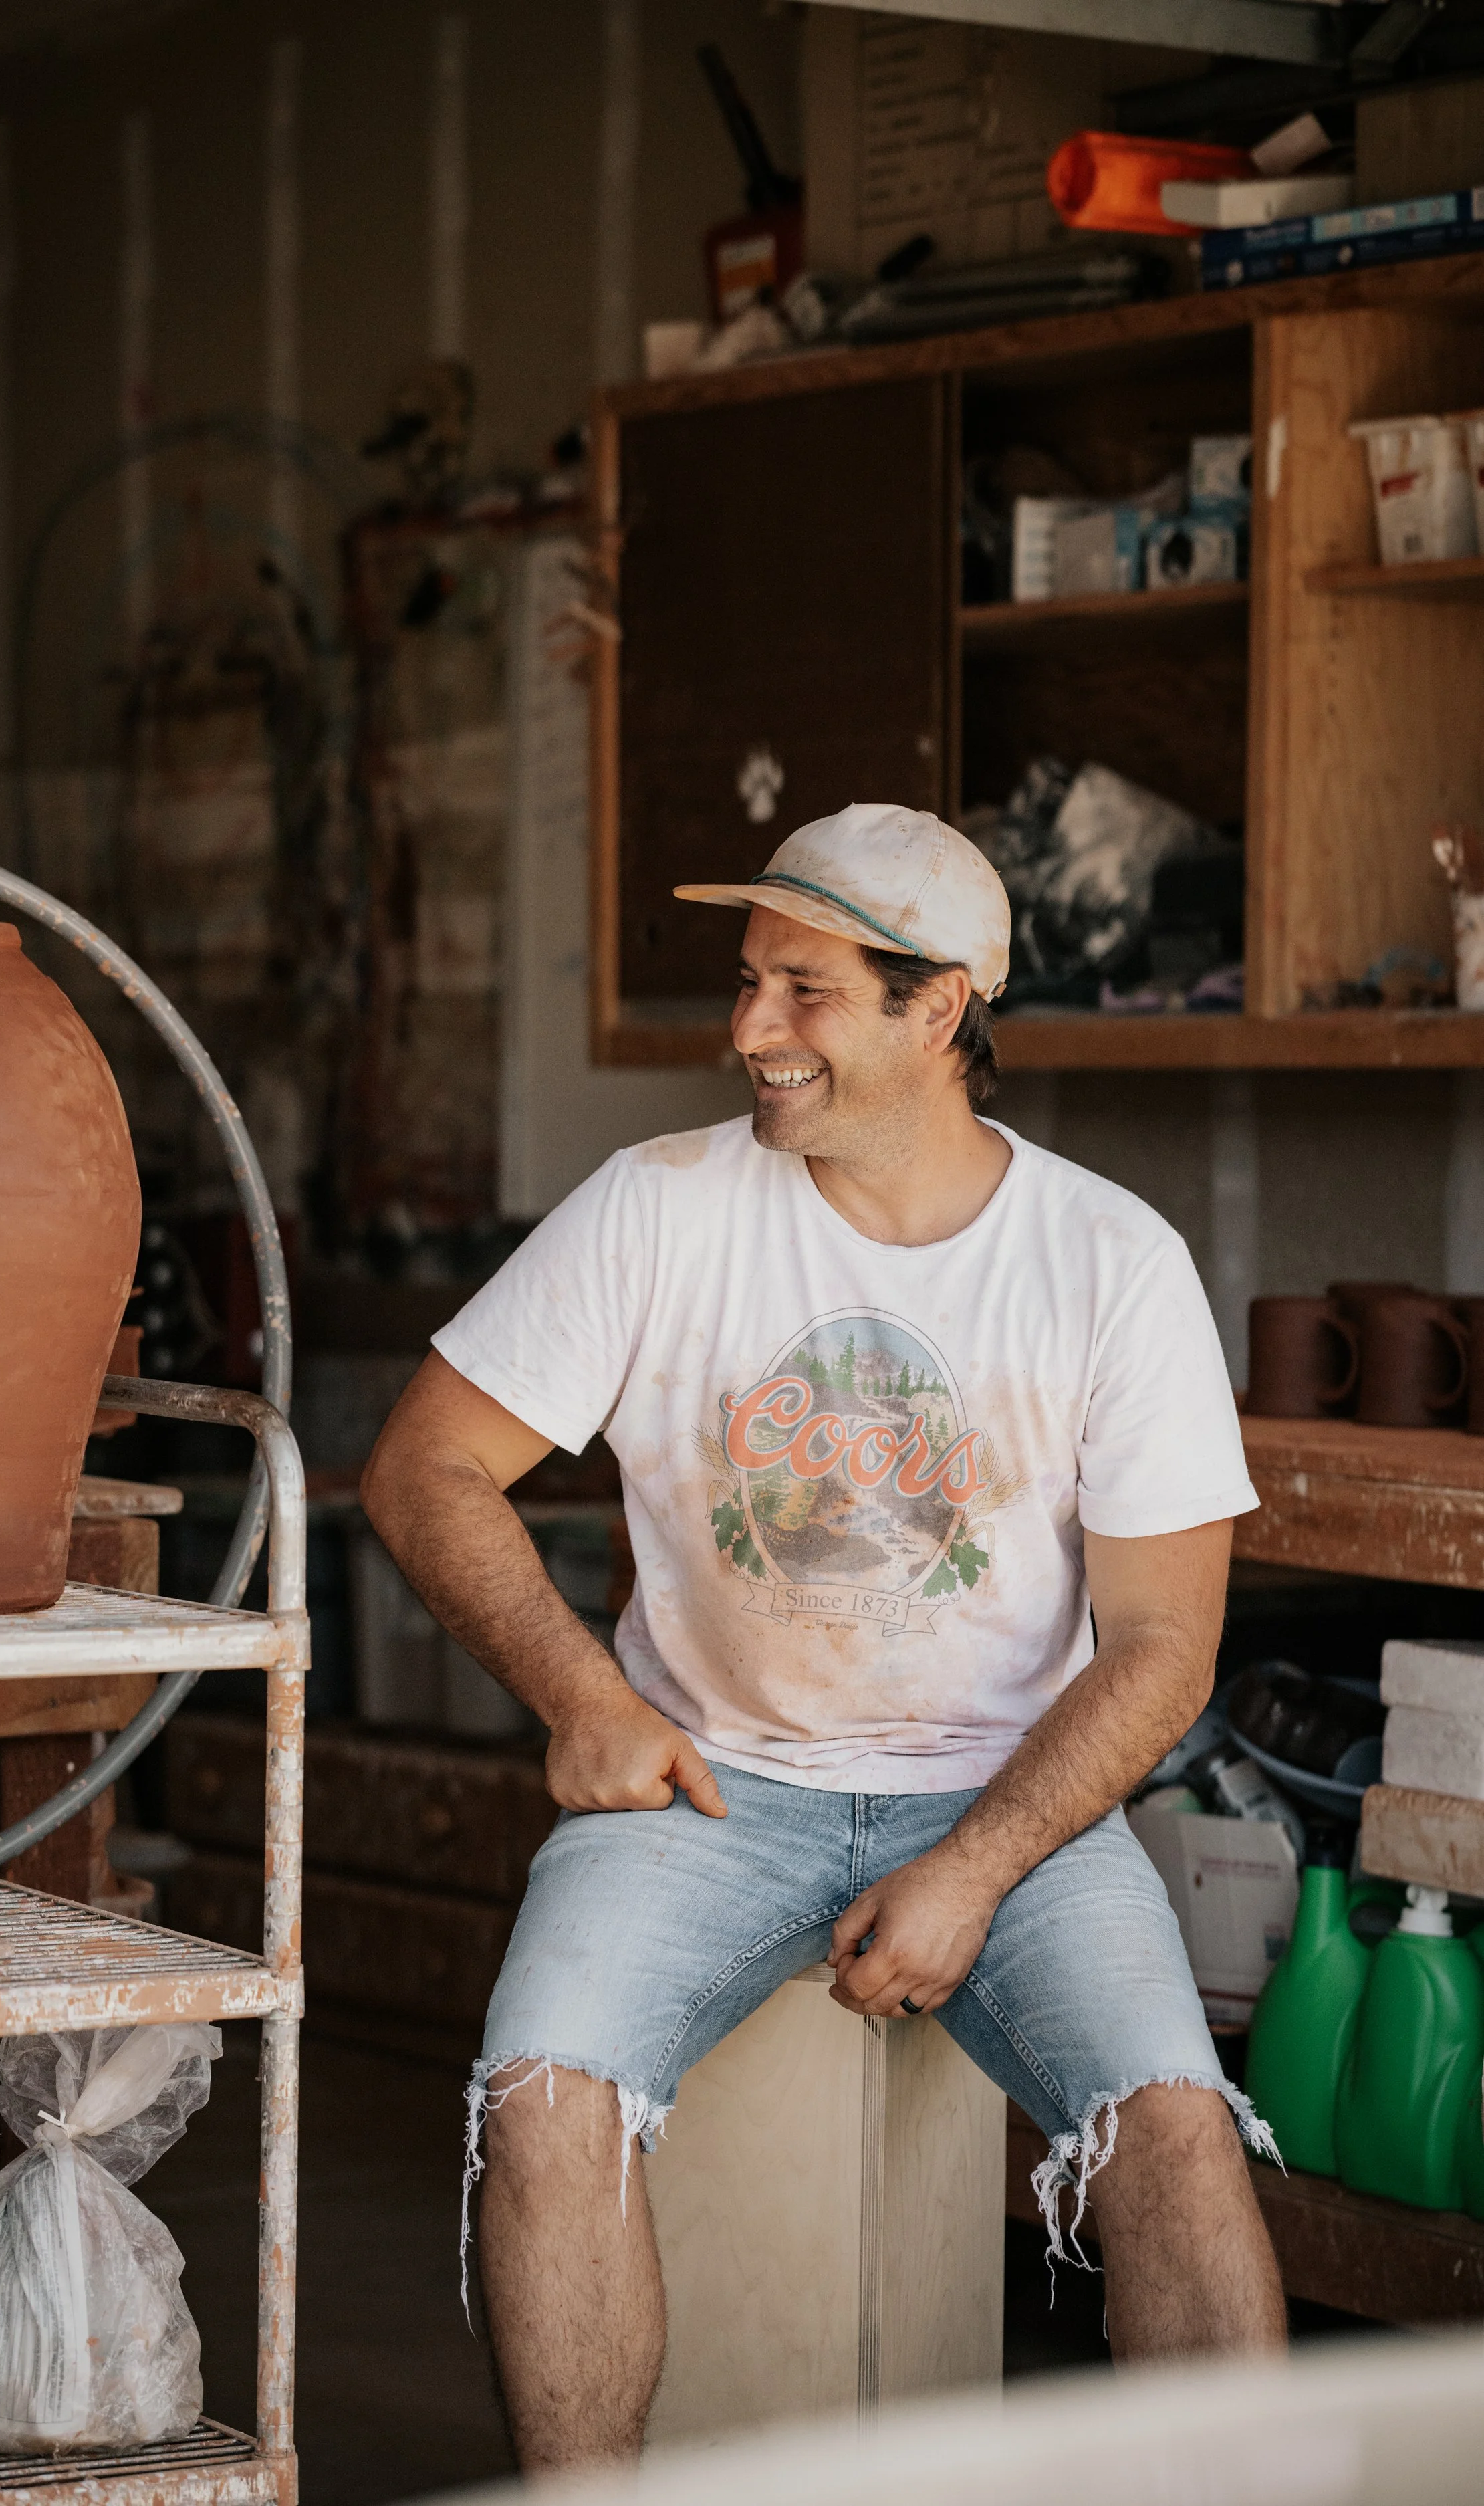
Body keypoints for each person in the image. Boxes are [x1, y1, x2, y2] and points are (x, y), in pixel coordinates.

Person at [363, 801, 1286, 2471]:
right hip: (703, 1787)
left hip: (1012, 1793)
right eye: (746, 983)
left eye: (802, 990)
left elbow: (1162, 1647)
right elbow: (424, 1464)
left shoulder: (1105, 1261)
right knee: (543, 2092)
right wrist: (580, 1691)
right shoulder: (657, 1205)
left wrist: (980, 1861)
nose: (747, 1031)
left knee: (1172, 2130)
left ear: (937, 1009)